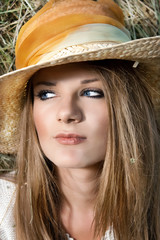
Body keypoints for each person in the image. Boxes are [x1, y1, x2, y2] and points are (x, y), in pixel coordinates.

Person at [0, 0, 160, 240]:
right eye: (46, 94)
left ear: (126, 107)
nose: (66, 113)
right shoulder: (4, 209)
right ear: (31, 110)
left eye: (92, 93)